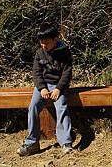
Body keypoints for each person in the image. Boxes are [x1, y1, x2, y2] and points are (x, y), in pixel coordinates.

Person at [17, 25, 74, 156]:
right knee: (33, 107)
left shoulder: (65, 52)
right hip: (43, 86)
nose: (44, 45)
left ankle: (65, 143)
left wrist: (59, 89)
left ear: (55, 39)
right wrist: (42, 88)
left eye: (47, 43)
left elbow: (67, 73)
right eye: (41, 43)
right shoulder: (39, 53)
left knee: (62, 108)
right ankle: (32, 143)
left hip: (59, 86)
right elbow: (36, 73)